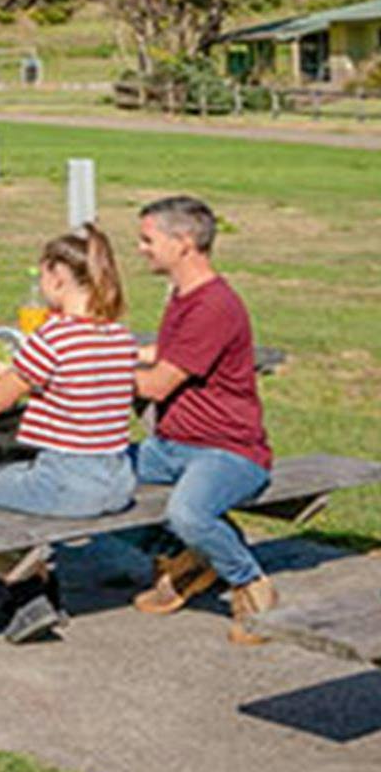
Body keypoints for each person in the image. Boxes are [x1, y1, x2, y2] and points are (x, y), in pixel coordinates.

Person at [0, 225, 138, 642]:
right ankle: (38, 582)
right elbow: (77, 379)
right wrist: (10, 371)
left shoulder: (53, 335)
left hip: (68, 481)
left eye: (43, 278)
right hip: (117, 479)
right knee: (8, 480)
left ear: (57, 275)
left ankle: (27, 591)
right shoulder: (117, 333)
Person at [128, 195, 276, 644]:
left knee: (189, 512)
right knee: (92, 480)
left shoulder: (214, 305)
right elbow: (163, 355)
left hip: (228, 451)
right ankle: (189, 558)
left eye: (147, 239)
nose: (141, 248)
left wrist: (92, 368)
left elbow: (155, 385)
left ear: (185, 241)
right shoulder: (183, 295)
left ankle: (250, 584)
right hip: (172, 445)